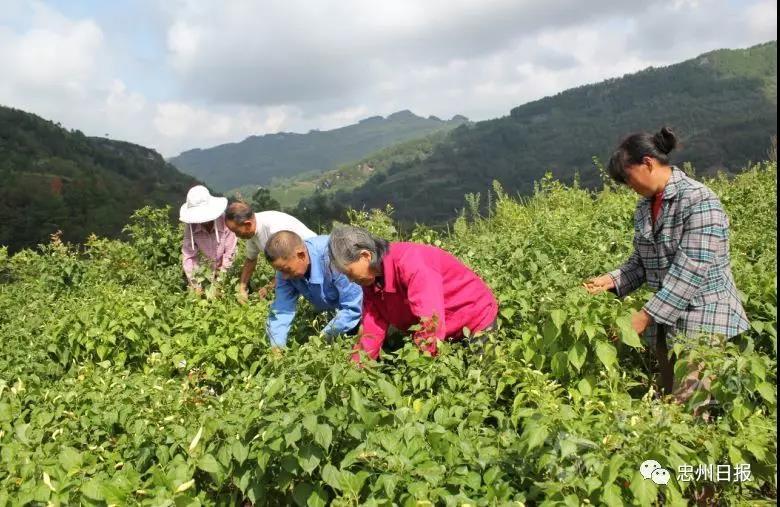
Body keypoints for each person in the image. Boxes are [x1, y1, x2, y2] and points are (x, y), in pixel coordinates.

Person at [584, 127, 749, 404]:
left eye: (627, 177)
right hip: (666, 317)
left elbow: (691, 270)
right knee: (670, 396)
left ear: (647, 163)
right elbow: (641, 260)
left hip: (702, 315)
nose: (628, 186)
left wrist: (644, 316)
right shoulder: (644, 207)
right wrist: (611, 280)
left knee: (690, 403)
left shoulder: (699, 200)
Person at [328, 226, 498, 362]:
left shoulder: (411, 264)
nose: (350, 280)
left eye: (350, 272)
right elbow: (372, 328)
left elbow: (431, 322)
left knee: (482, 376)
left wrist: (418, 365)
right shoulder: (370, 280)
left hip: (474, 319)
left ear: (365, 256)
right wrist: (354, 368)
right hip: (446, 330)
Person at [263, 231, 363, 349]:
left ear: (301, 255)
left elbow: (353, 307)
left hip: (370, 307)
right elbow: (282, 309)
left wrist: (320, 340)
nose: (284, 276)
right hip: (336, 314)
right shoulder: (284, 271)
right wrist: (277, 347)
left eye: (286, 269)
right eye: (280, 271)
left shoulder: (334, 256)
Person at [224, 202, 316, 302]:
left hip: (312, 261)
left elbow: (288, 265)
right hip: (295, 268)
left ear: (247, 224)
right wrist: (242, 288)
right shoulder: (252, 232)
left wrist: (269, 287)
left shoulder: (274, 229)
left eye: (236, 231)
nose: (236, 236)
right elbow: (250, 260)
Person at [179, 185, 237, 293]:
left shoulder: (225, 222)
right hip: (204, 272)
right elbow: (189, 256)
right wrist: (195, 283)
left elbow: (230, 253)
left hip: (225, 270)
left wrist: (220, 281)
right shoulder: (191, 227)